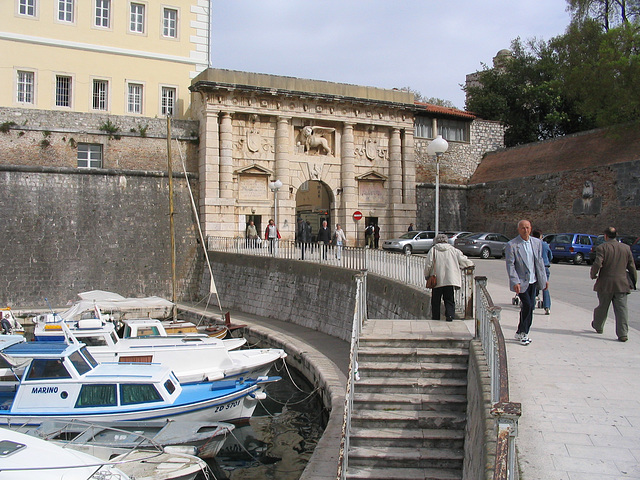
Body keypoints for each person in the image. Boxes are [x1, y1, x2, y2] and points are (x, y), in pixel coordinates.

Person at [505, 219, 548, 346]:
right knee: (528, 305)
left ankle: (520, 331)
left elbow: (539, 263)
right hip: (521, 282)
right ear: (518, 230)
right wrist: (515, 281)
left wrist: (544, 279)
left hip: (533, 280)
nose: (526, 230)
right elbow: (510, 265)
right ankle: (524, 333)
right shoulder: (512, 245)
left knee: (530, 307)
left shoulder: (537, 243)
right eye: (523, 228)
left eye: (528, 228)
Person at [590, 226, 637, 342]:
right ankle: (623, 333)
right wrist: (633, 281)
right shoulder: (626, 248)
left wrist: (593, 274)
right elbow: (632, 267)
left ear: (605, 236)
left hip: (605, 284)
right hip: (622, 284)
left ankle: (598, 326)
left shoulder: (602, 248)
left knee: (602, 307)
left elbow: (598, 263)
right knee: (622, 310)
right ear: (616, 235)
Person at [424, 233, 474, 321]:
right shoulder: (453, 250)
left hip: (437, 279)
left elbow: (428, 264)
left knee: (436, 300)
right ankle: (450, 316)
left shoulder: (433, 250)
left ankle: (435, 317)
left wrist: (427, 275)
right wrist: (470, 264)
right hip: (450, 279)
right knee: (449, 299)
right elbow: (463, 259)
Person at [532, 230, 552, 314]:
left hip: (535, 267)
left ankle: (532, 305)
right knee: (545, 287)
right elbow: (550, 256)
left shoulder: (532, 244)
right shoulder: (545, 245)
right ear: (541, 236)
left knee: (532, 286)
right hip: (545, 267)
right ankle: (547, 307)